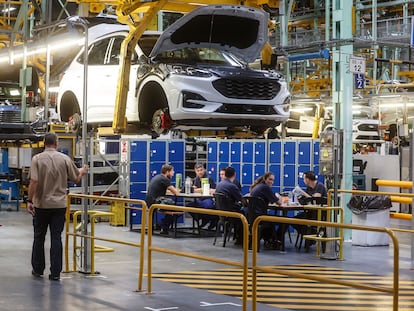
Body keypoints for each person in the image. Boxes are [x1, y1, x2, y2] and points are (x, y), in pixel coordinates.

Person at [27, 133, 88, 281]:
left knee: (39, 237)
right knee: (56, 237)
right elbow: (76, 178)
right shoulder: (65, 159)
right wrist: (82, 171)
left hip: (41, 205)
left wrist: (29, 200)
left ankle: (38, 269)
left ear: (43, 143)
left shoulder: (37, 159)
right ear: (56, 143)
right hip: (59, 205)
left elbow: (34, 181)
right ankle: (55, 273)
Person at [249, 172, 283, 248]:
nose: (271, 182)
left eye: (273, 180)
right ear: (265, 179)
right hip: (260, 217)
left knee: (271, 221)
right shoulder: (265, 188)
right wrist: (279, 196)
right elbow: (279, 202)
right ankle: (276, 241)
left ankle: (270, 239)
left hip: (252, 216)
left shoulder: (258, 186)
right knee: (285, 221)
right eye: (270, 179)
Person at [145, 164, 180, 234]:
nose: (173, 173)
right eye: (172, 172)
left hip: (149, 202)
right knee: (178, 210)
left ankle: (161, 225)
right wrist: (178, 190)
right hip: (156, 202)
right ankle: (164, 227)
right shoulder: (165, 179)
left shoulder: (158, 177)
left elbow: (162, 189)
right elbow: (176, 193)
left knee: (172, 208)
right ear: (167, 172)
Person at [215, 166, 243, 244]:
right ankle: (240, 239)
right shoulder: (232, 186)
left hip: (221, 213)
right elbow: (241, 199)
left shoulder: (219, 185)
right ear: (234, 174)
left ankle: (238, 237)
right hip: (230, 213)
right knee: (244, 216)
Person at [192, 163, 217, 229]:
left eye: (201, 170)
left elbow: (213, 190)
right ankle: (203, 218)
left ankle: (208, 219)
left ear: (204, 170)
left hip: (208, 198)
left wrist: (199, 189)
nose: (200, 172)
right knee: (189, 205)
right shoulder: (196, 179)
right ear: (195, 171)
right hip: (200, 199)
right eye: (198, 171)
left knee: (207, 206)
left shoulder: (208, 178)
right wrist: (200, 189)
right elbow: (194, 189)